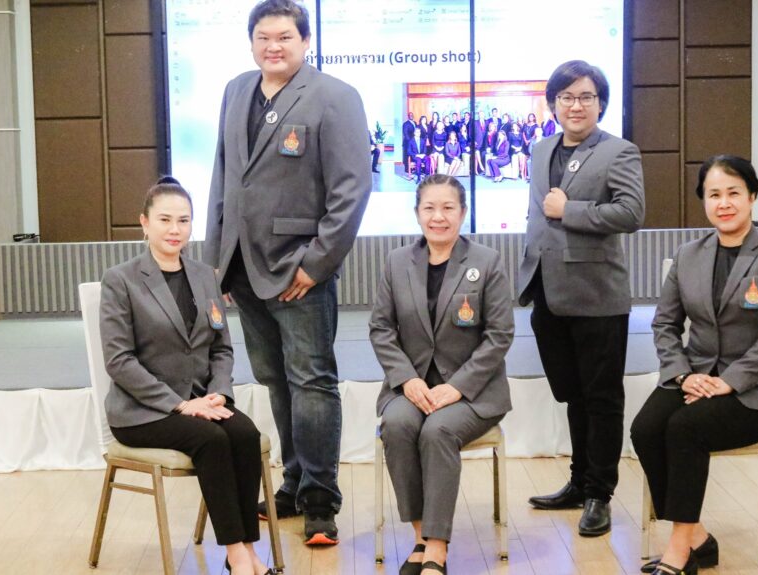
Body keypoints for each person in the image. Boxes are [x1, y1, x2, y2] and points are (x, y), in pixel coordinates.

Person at [203, 0, 372, 546]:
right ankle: (294, 481)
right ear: (252, 42)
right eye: (263, 37)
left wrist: (317, 263)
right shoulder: (236, 90)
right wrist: (216, 263)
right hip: (243, 269)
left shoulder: (335, 96)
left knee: (312, 382)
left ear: (305, 42)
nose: (273, 46)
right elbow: (224, 178)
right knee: (275, 380)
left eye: (284, 37)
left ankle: (320, 500)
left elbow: (351, 190)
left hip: (300, 269)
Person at [630, 156, 758, 575]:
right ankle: (699, 538)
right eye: (714, 195)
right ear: (704, 201)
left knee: (684, 429)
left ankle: (679, 550)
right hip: (694, 377)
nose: (723, 203)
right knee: (645, 429)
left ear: (752, 197)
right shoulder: (688, 255)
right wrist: (683, 375)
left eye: (733, 193)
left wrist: (729, 382)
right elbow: (665, 324)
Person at [100, 178, 272, 575]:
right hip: (143, 411)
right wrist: (180, 404)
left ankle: (247, 550)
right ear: (144, 223)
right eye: (164, 220)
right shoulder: (121, 280)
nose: (174, 229)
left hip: (201, 401)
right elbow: (119, 361)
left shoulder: (205, 275)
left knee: (244, 434)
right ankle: (237, 557)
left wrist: (219, 393)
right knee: (212, 439)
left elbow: (221, 348)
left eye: (183, 220)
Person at [517, 60, 645, 537]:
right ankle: (579, 482)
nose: (576, 105)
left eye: (586, 97)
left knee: (602, 399)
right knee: (573, 395)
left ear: (600, 104)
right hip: (547, 292)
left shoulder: (619, 151)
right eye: (567, 97)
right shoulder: (540, 148)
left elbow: (631, 213)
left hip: (597, 296)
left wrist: (569, 209)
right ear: (553, 103)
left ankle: (599, 494)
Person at [369, 174, 515, 575]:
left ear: (462, 213)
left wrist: (458, 387)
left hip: (473, 392)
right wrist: (407, 379)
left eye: (448, 207)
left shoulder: (487, 261)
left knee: (438, 431)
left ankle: (437, 548)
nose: (439, 217)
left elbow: (500, 334)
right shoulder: (397, 262)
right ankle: (420, 536)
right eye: (429, 208)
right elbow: (381, 328)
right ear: (417, 213)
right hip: (412, 387)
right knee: (398, 425)